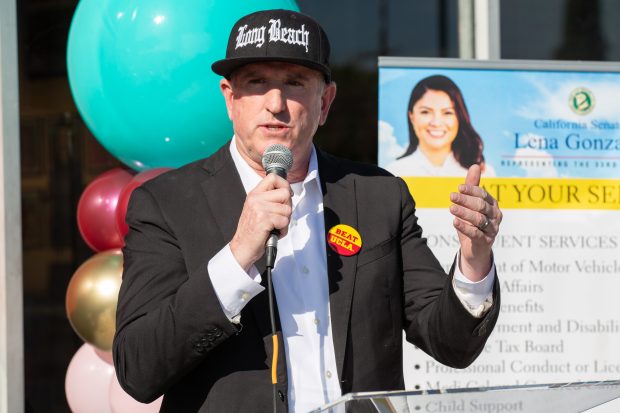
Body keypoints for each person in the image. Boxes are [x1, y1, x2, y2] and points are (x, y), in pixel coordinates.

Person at [113, 9, 502, 413]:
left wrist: (474, 261)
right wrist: (237, 256)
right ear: (230, 98)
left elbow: (452, 344)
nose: (275, 104)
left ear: (325, 101)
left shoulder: (379, 195)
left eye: (295, 83)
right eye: (256, 82)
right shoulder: (168, 204)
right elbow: (138, 369)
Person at [385, 74, 495, 177]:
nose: (436, 123)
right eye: (425, 112)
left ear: (459, 117)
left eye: (447, 113)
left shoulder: (482, 173)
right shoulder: (394, 172)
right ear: (411, 116)